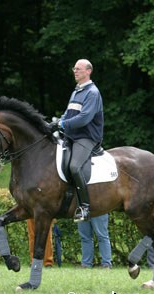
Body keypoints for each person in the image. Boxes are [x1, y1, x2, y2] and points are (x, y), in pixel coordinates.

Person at [47, 59, 104, 222]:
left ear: (88, 71)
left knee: (74, 166)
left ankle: (85, 207)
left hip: (87, 137)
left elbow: (84, 118)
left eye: (78, 69)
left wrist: (63, 123)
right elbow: (68, 113)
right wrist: (57, 122)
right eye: (74, 68)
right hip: (72, 136)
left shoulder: (93, 92)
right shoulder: (76, 91)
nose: (75, 71)